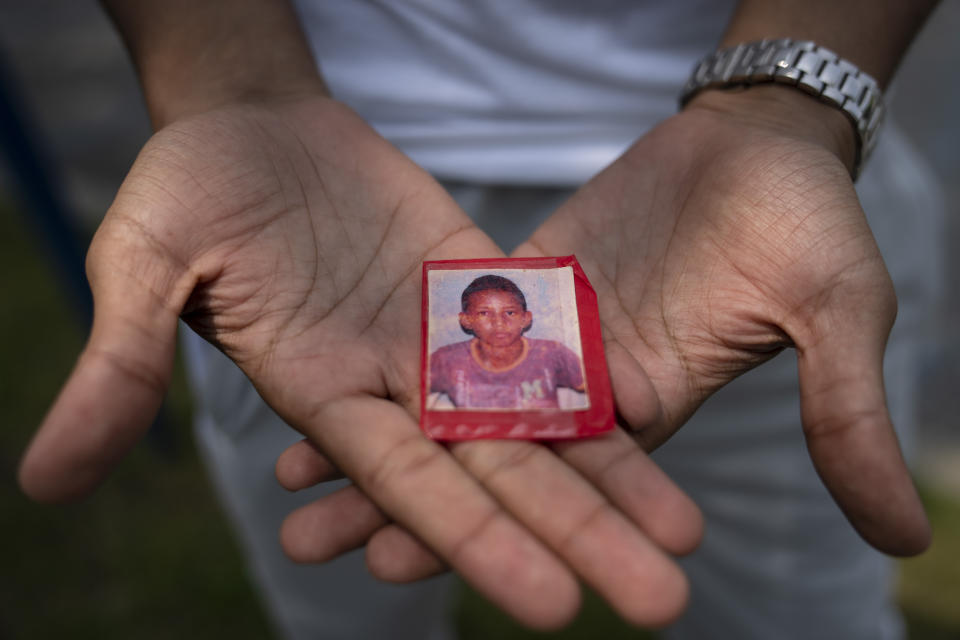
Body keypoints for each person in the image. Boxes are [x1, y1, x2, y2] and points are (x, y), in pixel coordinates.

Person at [17, 0, 945, 639]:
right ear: (467, 325)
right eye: (487, 313)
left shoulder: (552, 351)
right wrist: (227, 85)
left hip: (735, 192)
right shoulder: (435, 342)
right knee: (339, 611)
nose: (502, 325)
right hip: (305, 227)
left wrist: (786, 106)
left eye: (513, 313)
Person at [429, 274, 586, 410]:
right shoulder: (448, 361)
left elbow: (599, 391)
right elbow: (413, 393)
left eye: (509, 313)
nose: (499, 323)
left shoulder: (552, 354)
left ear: (525, 318)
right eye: (484, 313)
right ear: (466, 320)